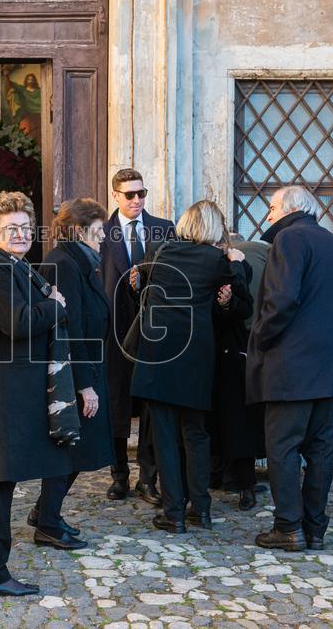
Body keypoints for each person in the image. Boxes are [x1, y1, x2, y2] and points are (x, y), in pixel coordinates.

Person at [0, 191, 71, 596]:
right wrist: (56, 306)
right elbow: (19, 322)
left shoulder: (11, 263)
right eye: (11, 229)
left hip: (7, 384)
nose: (21, 235)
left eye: (26, 227)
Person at [129, 200, 249, 533]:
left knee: (165, 438)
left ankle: (174, 513)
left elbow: (139, 286)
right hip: (196, 357)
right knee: (196, 435)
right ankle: (201, 509)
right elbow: (241, 290)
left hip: (158, 357)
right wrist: (236, 261)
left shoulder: (159, 248)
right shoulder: (215, 259)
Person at [247, 186, 333, 552]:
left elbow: (281, 300)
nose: (269, 216)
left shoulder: (288, 241)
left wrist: (259, 337)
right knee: (320, 448)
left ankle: (288, 527)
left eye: (272, 208)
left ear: (290, 209)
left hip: (291, 367)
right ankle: (314, 528)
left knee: (283, 447)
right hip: (327, 367)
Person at [31, 198, 115, 550]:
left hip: (90, 365)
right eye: (98, 230)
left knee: (79, 447)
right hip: (75, 372)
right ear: (80, 230)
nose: (103, 237)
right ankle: (47, 522)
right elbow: (71, 326)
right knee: (70, 446)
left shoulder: (80, 262)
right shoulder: (64, 263)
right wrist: (84, 386)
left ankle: (44, 513)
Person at [100, 168, 175, 504]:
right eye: (129, 195)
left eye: (141, 193)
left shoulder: (164, 228)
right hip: (113, 332)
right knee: (116, 405)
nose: (136, 200)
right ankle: (119, 475)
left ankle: (149, 477)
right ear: (115, 196)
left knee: (150, 405)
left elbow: (173, 279)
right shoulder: (100, 232)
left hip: (151, 332)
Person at [209, 233, 267, 510]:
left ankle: (238, 482)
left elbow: (243, 306)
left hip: (230, 350)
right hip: (227, 350)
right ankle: (239, 482)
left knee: (233, 420)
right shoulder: (230, 263)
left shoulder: (238, 264)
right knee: (233, 420)